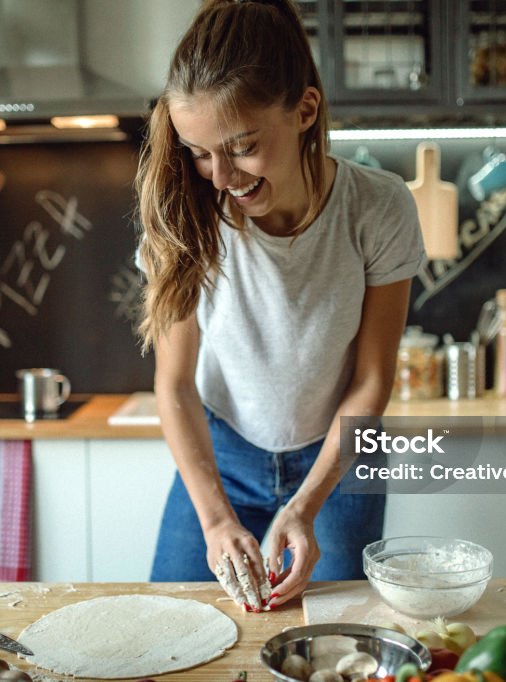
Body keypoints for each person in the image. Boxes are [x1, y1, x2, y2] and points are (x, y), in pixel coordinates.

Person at [134, 0, 424, 611]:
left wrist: (306, 503)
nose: (219, 177)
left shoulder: (380, 207)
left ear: (304, 110)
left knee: (337, 641)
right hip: (222, 455)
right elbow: (176, 384)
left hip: (340, 465)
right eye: (199, 151)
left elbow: (372, 380)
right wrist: (215, 521)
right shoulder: (188, 211)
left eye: (241, 147)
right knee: (174, 627)